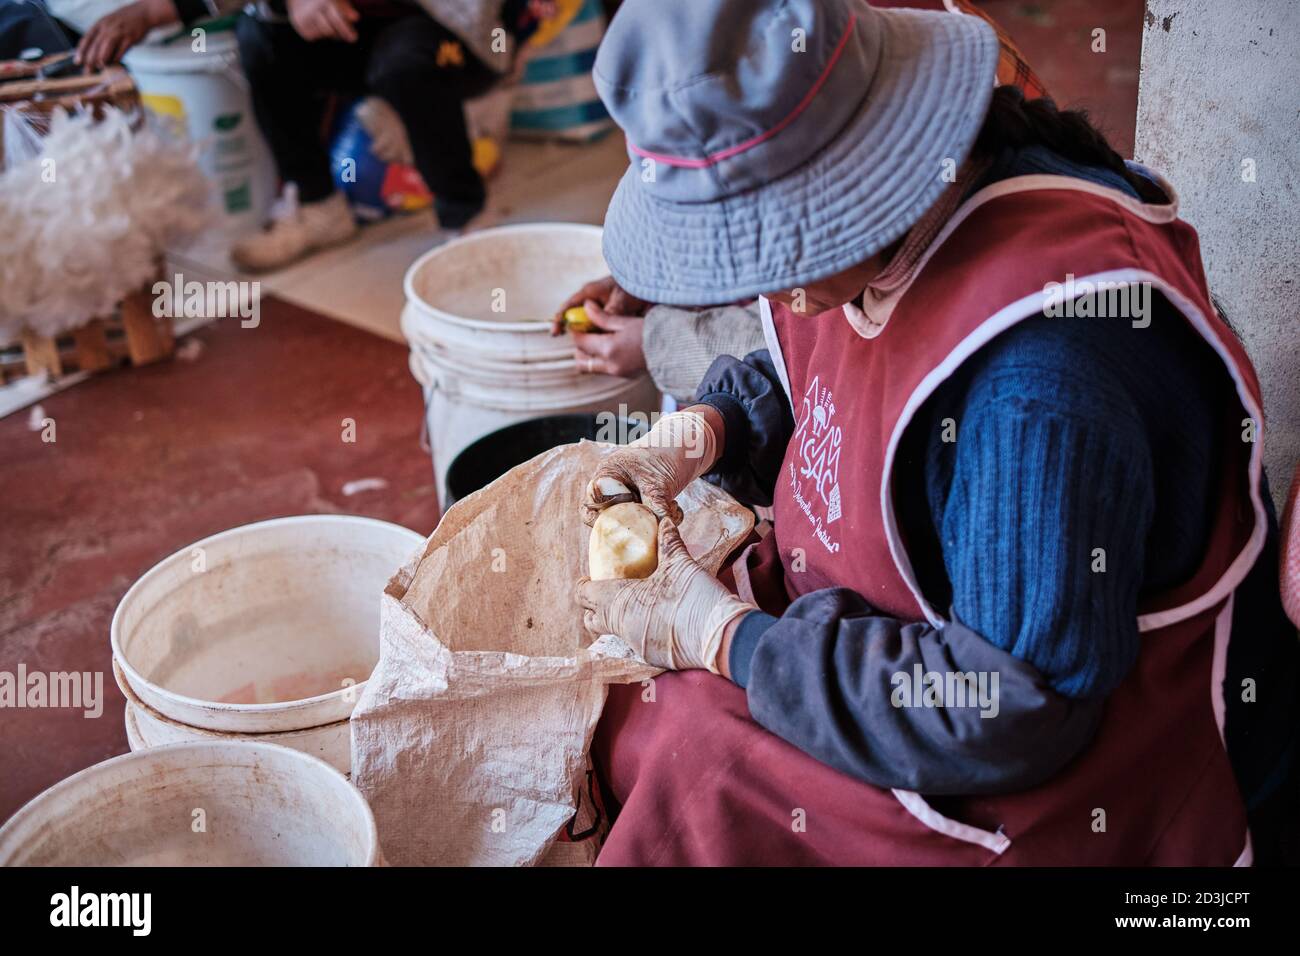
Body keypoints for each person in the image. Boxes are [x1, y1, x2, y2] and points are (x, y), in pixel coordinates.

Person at [574, 0, 1299, 865]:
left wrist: (728, 639)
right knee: (623, 695)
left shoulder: (1044, 384)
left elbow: (1010, 709)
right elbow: (846, 361)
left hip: (1063, 767)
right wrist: (716, 427)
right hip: (920, 645)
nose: (765, 291)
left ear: (860, 185)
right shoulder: (911, 214)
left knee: (695, 751)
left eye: (768, 255)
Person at [75, 0, 544, 270]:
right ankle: (320, 208)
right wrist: (150, 12)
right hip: (352, 28)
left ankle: (466, 220)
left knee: (406, 62)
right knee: (259, 35)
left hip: (455, 31)